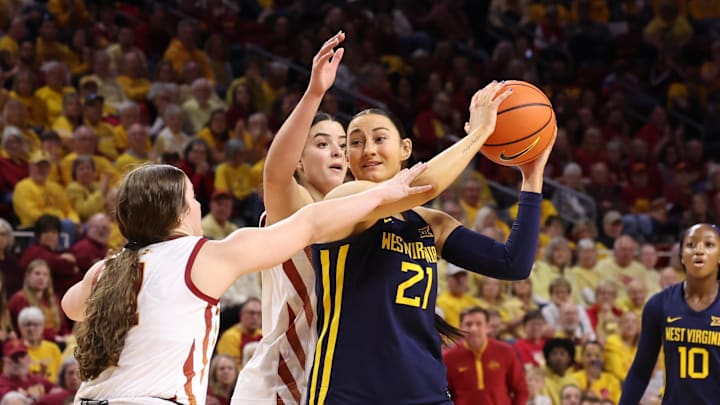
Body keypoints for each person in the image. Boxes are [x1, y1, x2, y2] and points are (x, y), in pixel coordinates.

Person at [60, 162, 430, 404]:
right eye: (194, 197)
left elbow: (70, 306)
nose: (199, 206)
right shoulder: (203, 256)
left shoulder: (108, 270)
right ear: (179, 210)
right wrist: (383, 193)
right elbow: (310, 224)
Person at [304, 79, 553, 403]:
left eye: (380, 138)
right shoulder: (345, 198)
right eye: (355, 142)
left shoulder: (430, 224)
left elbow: (514, 264)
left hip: (424, 391)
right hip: (351, 392)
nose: (368, 150)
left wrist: (531, 179)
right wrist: (479, 134)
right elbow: (426, 186)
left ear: (405, 149)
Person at [231, 32, 351, 404]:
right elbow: (274, 174)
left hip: (334, 377)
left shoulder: (353, 215)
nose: (337, 151)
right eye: (322, 143)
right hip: (281, 380)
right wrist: (314, 94)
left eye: (344, 144)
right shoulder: (293, 206)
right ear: (299, 161)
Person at [620, 223, 720, 404]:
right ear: (681, 256)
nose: (699, 250)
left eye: (709, 245)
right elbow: (641, 370)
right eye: (691, 245)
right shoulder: (659, 305)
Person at [443, 307, 528, 405]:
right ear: (461, 328)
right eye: (468, 324)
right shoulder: (449, 357)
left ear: (488, 327)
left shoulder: (505, 352)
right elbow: (444, 394)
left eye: (479, 324)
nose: (473, 329)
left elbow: (521, 390)